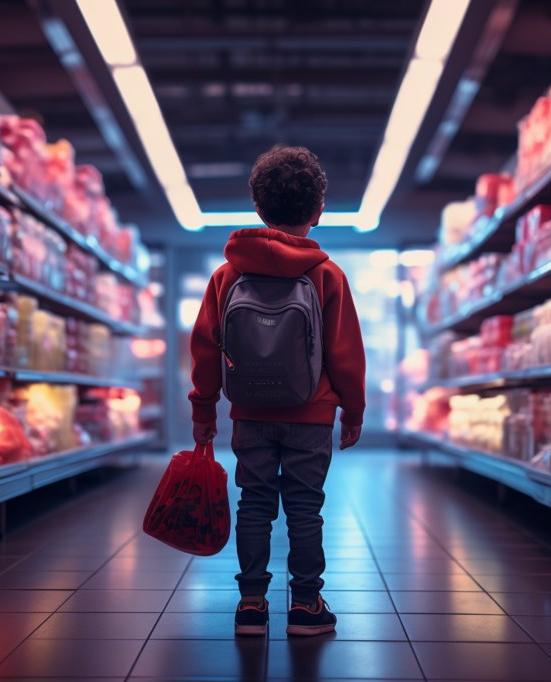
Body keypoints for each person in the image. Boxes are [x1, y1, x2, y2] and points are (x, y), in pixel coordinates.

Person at [188, 145, 366, 637]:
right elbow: (344, 351)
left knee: (255, 503)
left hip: (249, 411)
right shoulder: (327, 274)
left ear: (259, 209)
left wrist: (204, 408)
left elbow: (205, 345)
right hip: (311, 412)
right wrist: (353, 409)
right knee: (305, 506)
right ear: (318, 210)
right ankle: (306, 606)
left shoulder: (228, 274)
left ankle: (251, 604)